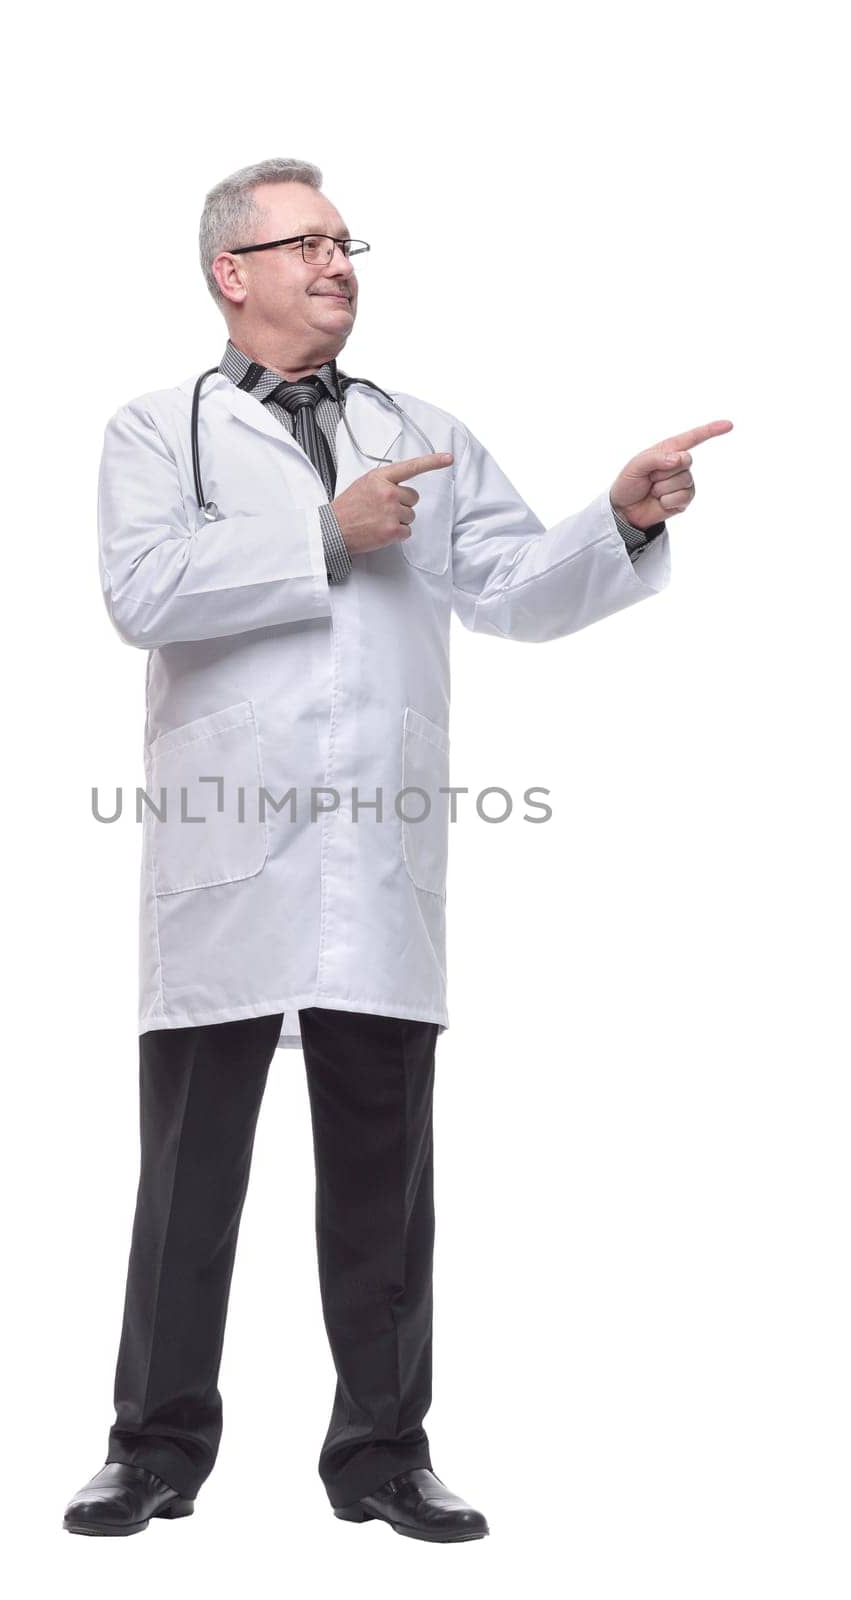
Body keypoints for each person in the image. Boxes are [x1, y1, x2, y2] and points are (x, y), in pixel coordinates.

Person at [63, 156, 732, 1544]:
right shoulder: (154, 430)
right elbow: (140, 592)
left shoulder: (418, 428)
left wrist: (617, 520)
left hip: (376, 857)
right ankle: (153, 1448)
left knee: (385, 1177)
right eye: (303, 243)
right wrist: (322, 533)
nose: (340, 264)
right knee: (191, 1177)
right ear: (228, 274)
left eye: (346, 240)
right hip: (226, 862)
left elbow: (504, 587)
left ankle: (381, 1453)